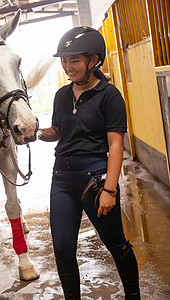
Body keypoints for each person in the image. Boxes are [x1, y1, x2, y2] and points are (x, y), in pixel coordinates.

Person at [38, 27, 140, 299]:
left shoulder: (110, 96)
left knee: (116, 244)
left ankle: (134, 296)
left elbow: (116, 145)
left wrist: (109, 189)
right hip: (61, 179)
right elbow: (58, 132)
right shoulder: (61, 95)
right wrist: (33, 132)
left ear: (93, 60)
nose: (68, 66)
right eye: (64, 61)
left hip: (94, 180)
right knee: (61, 248)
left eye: (74, 60)